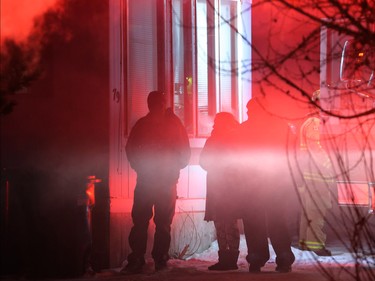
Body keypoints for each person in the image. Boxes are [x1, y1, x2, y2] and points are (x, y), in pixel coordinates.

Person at [122, 91, 191, 273]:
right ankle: (154, 259)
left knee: (149, 222)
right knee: (156, 223)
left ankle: (143, 259)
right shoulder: (170, 125)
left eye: (158, 103)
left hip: (153, 180)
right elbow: (184, 152)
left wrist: (141, 166)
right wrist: (173, 167)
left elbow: (131, 149)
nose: (158, 106)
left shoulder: (144, 125)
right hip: (159, 180)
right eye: (156, 103)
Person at [234, 97, 295, 273]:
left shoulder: (244, 129)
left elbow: (237, 157)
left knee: (253, 223)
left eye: (249, 110)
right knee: (278, 221)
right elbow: (291, 153)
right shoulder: (281, 127)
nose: (247, 112)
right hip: (276, 183)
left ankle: (256, 257)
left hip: (251, 185)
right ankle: (283, 258)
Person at [199, 112, 241, 271]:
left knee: (226, 222)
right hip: (225, 187)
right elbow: (203, 161)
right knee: (225, 223)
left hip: (224, 187)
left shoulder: (222, 139)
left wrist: (217, 167)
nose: (215, 124)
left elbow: (204, 161)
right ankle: (227, 259)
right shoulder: (225, 139)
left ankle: (228, 259)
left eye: (218, 122)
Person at [298, 91, 335, 256]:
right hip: (317, 175)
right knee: (317, 210)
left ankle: (305, 243)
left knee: (308, 211)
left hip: (308, 175)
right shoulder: (315, 123)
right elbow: (316, 147)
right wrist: (329, 165)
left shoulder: (307, 122)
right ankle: (316, 245)